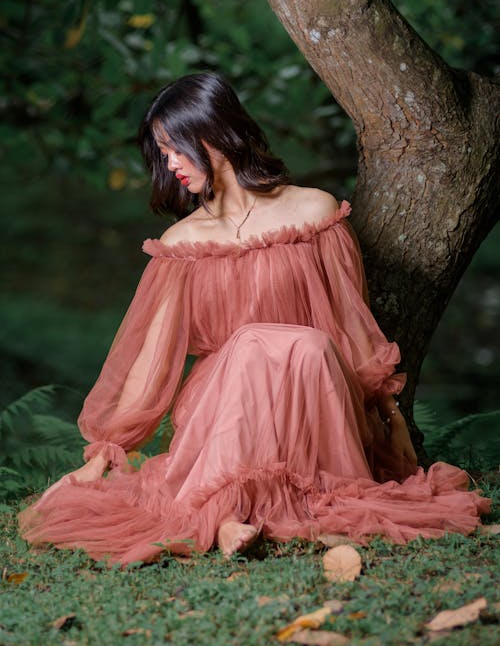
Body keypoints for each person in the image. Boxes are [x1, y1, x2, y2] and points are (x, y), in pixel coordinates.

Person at [18, 72, 489, 564]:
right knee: (249, 344)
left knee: (305, 343)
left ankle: (246, 513)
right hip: (225, 404)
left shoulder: (313, 212)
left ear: (214, 132)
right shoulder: (182, 244)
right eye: (161, 153)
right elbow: (149, 364)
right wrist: (106, 449)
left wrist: (389, 415)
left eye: (174, 147)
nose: (169, 163)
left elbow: (350, 327)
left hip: (312, 393)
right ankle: (224, 514)